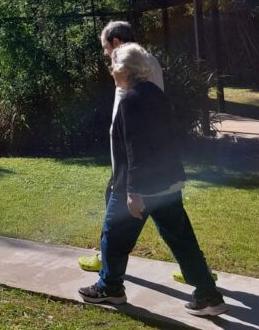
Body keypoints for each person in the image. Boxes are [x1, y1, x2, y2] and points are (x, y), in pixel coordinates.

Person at [78, 43, 228, 317]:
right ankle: (209, 295)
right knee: (182, 241)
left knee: (113, 236)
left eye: (113, 65)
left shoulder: (130, 100)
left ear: (124, 70)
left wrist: (133, 192)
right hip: (167, 184)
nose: (110, 70)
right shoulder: (157, 95)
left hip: (139, 187)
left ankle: (110, 287)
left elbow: (135, 149)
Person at [78, 21, 163, 273]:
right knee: (170, 219)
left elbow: (137, 115)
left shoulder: (133, 67)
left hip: (133, 160)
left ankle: (108, 270)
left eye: (106, 48)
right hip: (138, 158)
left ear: (116, 42)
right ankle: (194, 268)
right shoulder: (145, 61)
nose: (106, 55)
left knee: (118, 216)